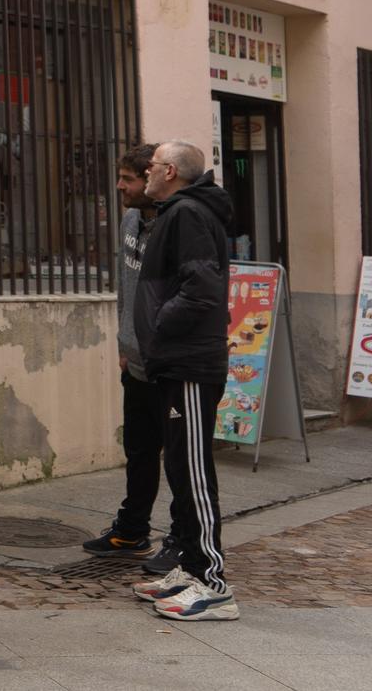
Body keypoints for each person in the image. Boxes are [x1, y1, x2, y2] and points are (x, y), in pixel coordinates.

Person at [130, 140, 240, 622]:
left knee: (193, 474)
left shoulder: (188, 214)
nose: (147, 173)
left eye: (152, 167)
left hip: (190, 362)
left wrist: (158, 328)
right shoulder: (180, 211)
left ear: (170, 171)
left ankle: (213, 585)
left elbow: (202, 290)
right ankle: (191, 570)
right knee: (180, 468)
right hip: (177, 362)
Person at [83, 144, 183, 575]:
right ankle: (132, 530)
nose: (120, 186)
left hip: (170, 363)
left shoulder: (177, 223)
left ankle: (182, 540)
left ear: (151, 178)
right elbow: (126, 282)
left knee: (179, 457)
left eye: (127, 179)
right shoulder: (129, 219)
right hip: (136, 360)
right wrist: (125, 343)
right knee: (139, 449)